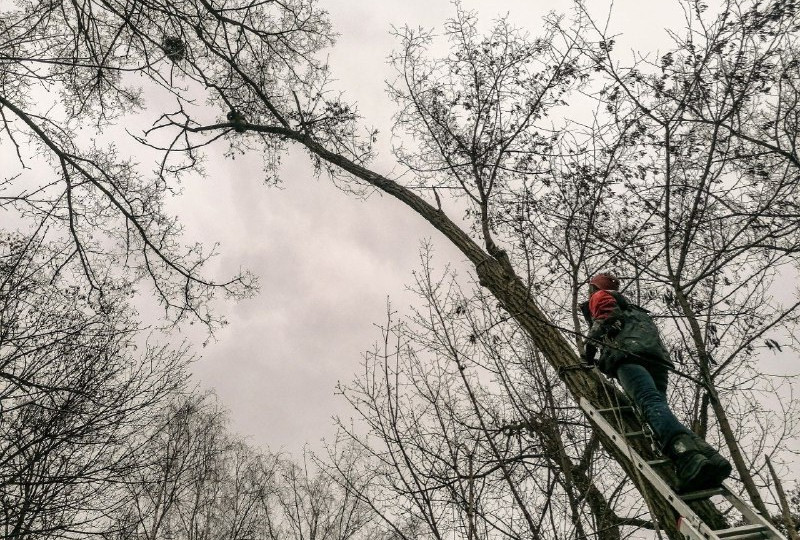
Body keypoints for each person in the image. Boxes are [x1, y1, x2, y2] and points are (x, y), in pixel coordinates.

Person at [580, 273, 732, 493]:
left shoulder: (601, 296)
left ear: (595, 287)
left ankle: (688, 457)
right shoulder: (636, 312)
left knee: (650, 404)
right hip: (656, 361)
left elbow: (606, 315)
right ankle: (710, 457)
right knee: (658, 409)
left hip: (628, 357)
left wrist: (589, 348)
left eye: (590, 288)